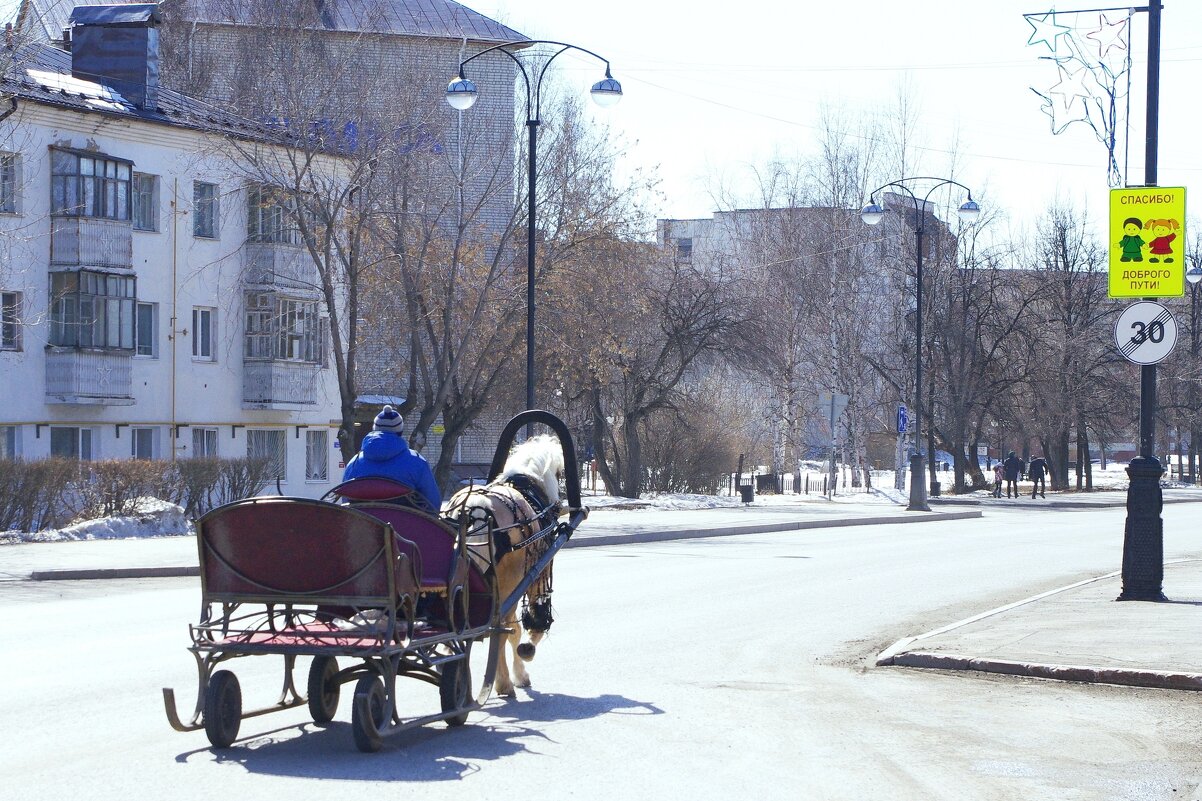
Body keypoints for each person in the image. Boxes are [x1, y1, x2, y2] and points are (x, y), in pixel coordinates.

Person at [341, 405, 442, 511]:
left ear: (375, 429)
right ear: (400, 432)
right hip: (406, 524)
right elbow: (433, 503)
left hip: (362, 523)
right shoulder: (417, 461)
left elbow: (345, 499)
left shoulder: (354, 462)